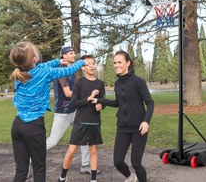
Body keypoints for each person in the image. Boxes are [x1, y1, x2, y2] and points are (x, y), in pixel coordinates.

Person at [10, 42, 86, 182]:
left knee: (21, 170)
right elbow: (67, 71)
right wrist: (82, 61)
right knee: (39, 168)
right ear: (34, 58)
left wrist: (58, 61)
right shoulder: (45, 73)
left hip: (17, 125)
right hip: (34, 126)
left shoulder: (19, 72)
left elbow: (41, 67)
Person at [27, 47, 91, 179]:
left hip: (74, 110)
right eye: (70, 53)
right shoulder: (62, 72)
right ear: (63, 56)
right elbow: (68, 93)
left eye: (74, 53)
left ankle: (85, 165)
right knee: (53, 141)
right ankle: (29, 160)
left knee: (85, 137)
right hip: (63, 112)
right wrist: (85, 95)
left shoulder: (70, 70)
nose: (73, 55)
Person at [93, 50, 154, 182]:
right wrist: (101, 100)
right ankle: (131, 178)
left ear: (128, 63)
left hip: (139, 128)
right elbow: (118, 103)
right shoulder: (117, 83)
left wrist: (146, 121)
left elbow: (150, 103)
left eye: (119, 62)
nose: (116, 65)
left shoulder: (138, 82)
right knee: (118, 161)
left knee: (136, 163)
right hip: (122, 127)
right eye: (114, 63)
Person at [57, 55, 105, 182]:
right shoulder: (79, 82)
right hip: (80, 121)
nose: (92, 66)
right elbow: (74, 103)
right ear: (83, 67)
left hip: (94, 122)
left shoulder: (100, 83)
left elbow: (102, 101)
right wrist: (88, 99)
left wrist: (101, 105)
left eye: (93, 63)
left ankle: (93, 179)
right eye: (88, 64)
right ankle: (62, 177)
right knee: (71, 150)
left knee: (93, 151)